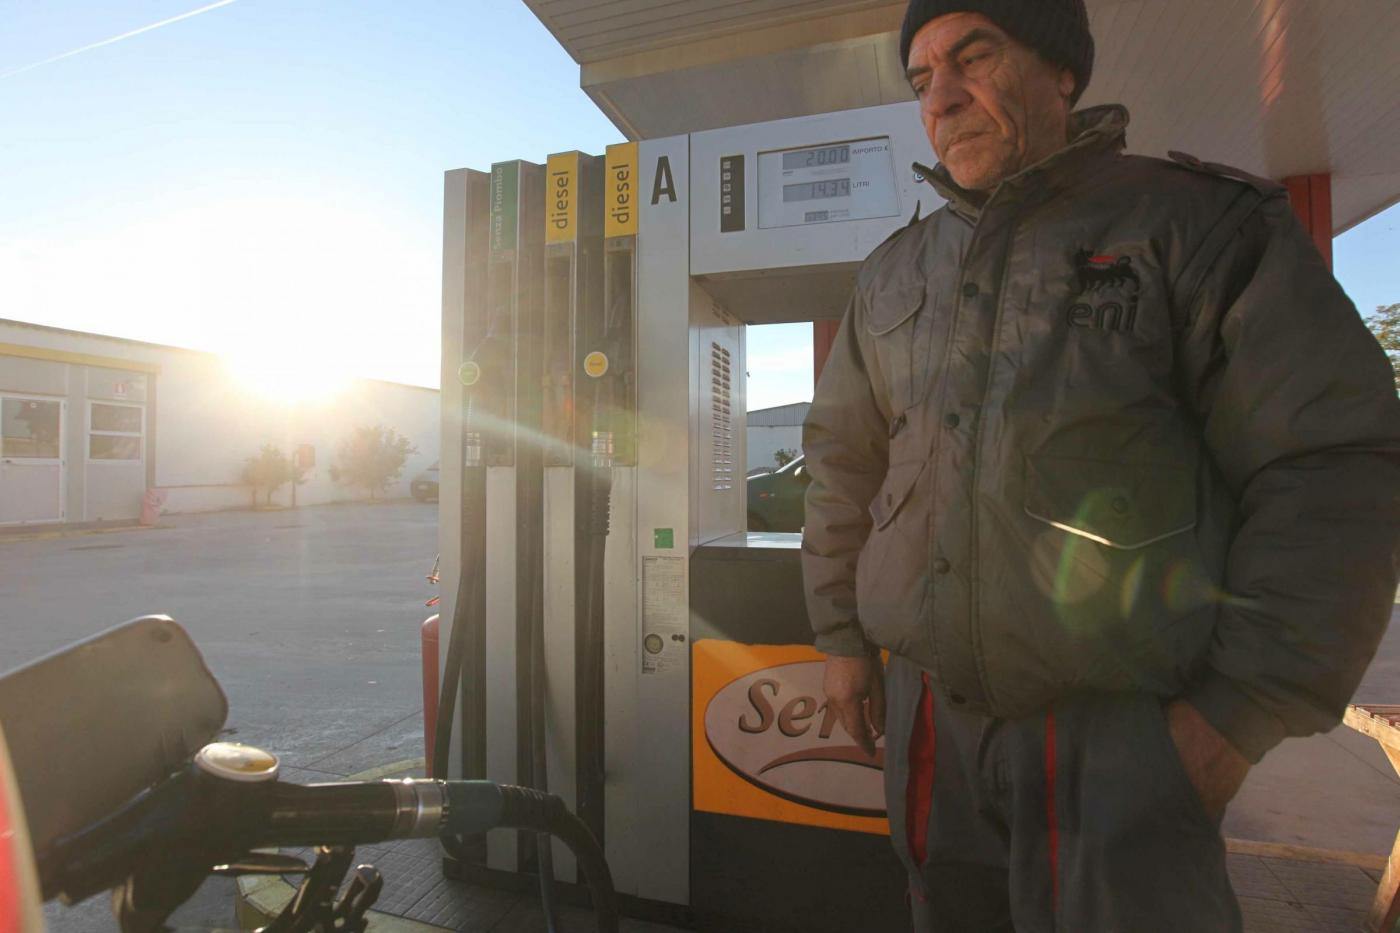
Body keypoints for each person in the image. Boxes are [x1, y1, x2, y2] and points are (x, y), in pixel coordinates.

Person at [800, 1, 1400, 929]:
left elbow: (1329, 465)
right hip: (928, 723)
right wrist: (841, 639)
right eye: (921, 79)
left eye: (974, 57)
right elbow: (843, 461)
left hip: (1119, 735)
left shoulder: (1199, 226)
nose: (941, 98)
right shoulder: (894, 271)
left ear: (1063, 72)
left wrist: (1233, 717)